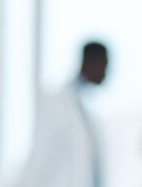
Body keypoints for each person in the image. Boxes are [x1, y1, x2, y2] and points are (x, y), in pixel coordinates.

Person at [17, 41, 109, 187]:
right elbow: (39, 157)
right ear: (91, 62)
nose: (107, 72)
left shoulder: (82, 109)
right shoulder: (57, 103)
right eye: (105, 65)